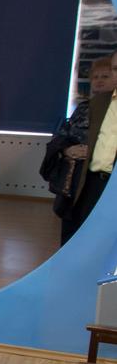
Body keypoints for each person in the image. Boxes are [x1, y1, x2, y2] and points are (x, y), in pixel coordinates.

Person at [40, 51, 117, 244]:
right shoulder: (94, 105)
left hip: (111, 186)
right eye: (115, 69)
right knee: (76, 237)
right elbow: (62, 139)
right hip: (86, 181)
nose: (99, 81)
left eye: (105, 75)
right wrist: (67, 150)